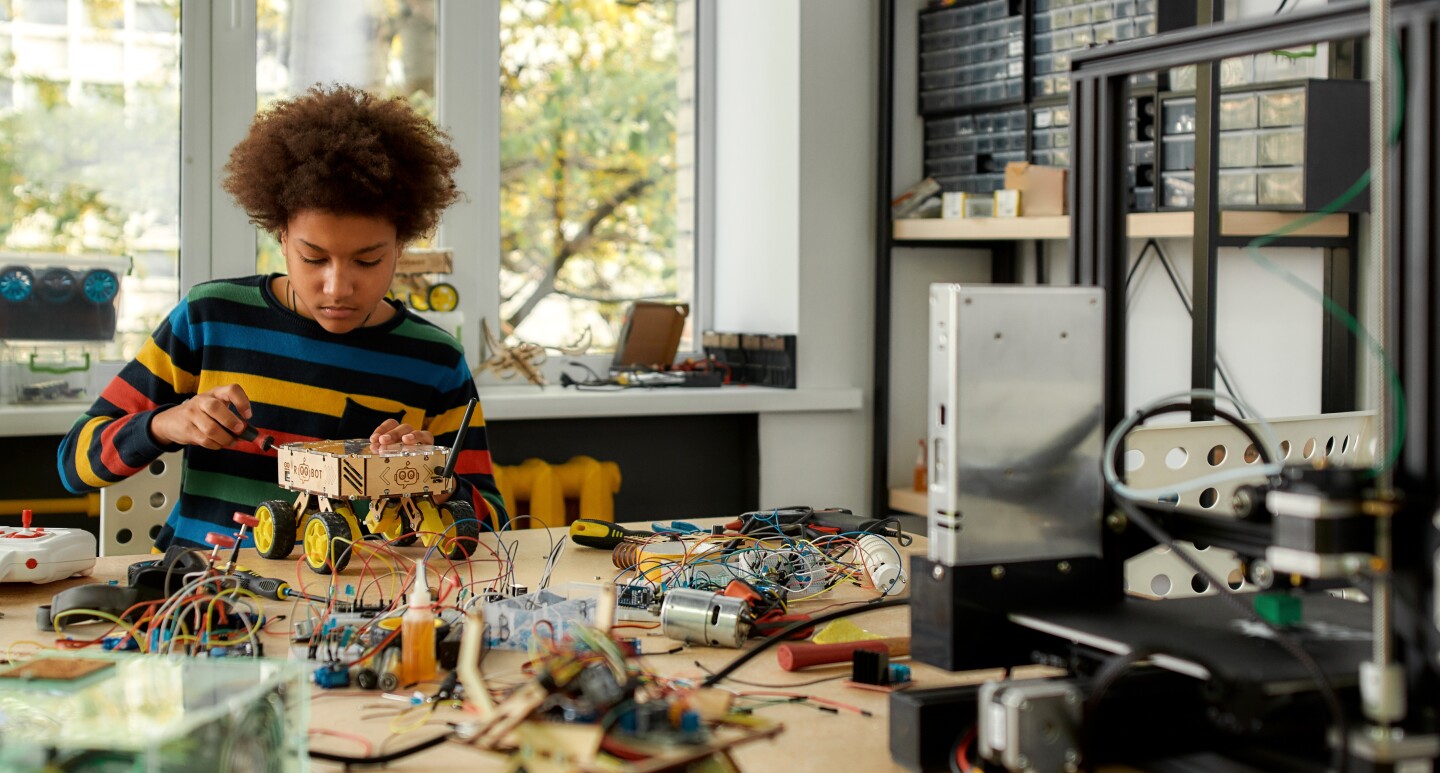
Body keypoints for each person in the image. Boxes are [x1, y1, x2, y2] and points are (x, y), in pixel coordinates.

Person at [58, 84, 507, 551]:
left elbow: (493, 527)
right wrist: (165, 424)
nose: (337, 287)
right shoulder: (210, 319)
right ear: (280, 235)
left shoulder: (435, 361)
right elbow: (74, 463)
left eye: (369, 261)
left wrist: (432, 476)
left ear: (402, 244)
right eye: (313, 258)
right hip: (200, 591)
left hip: (353, 603)